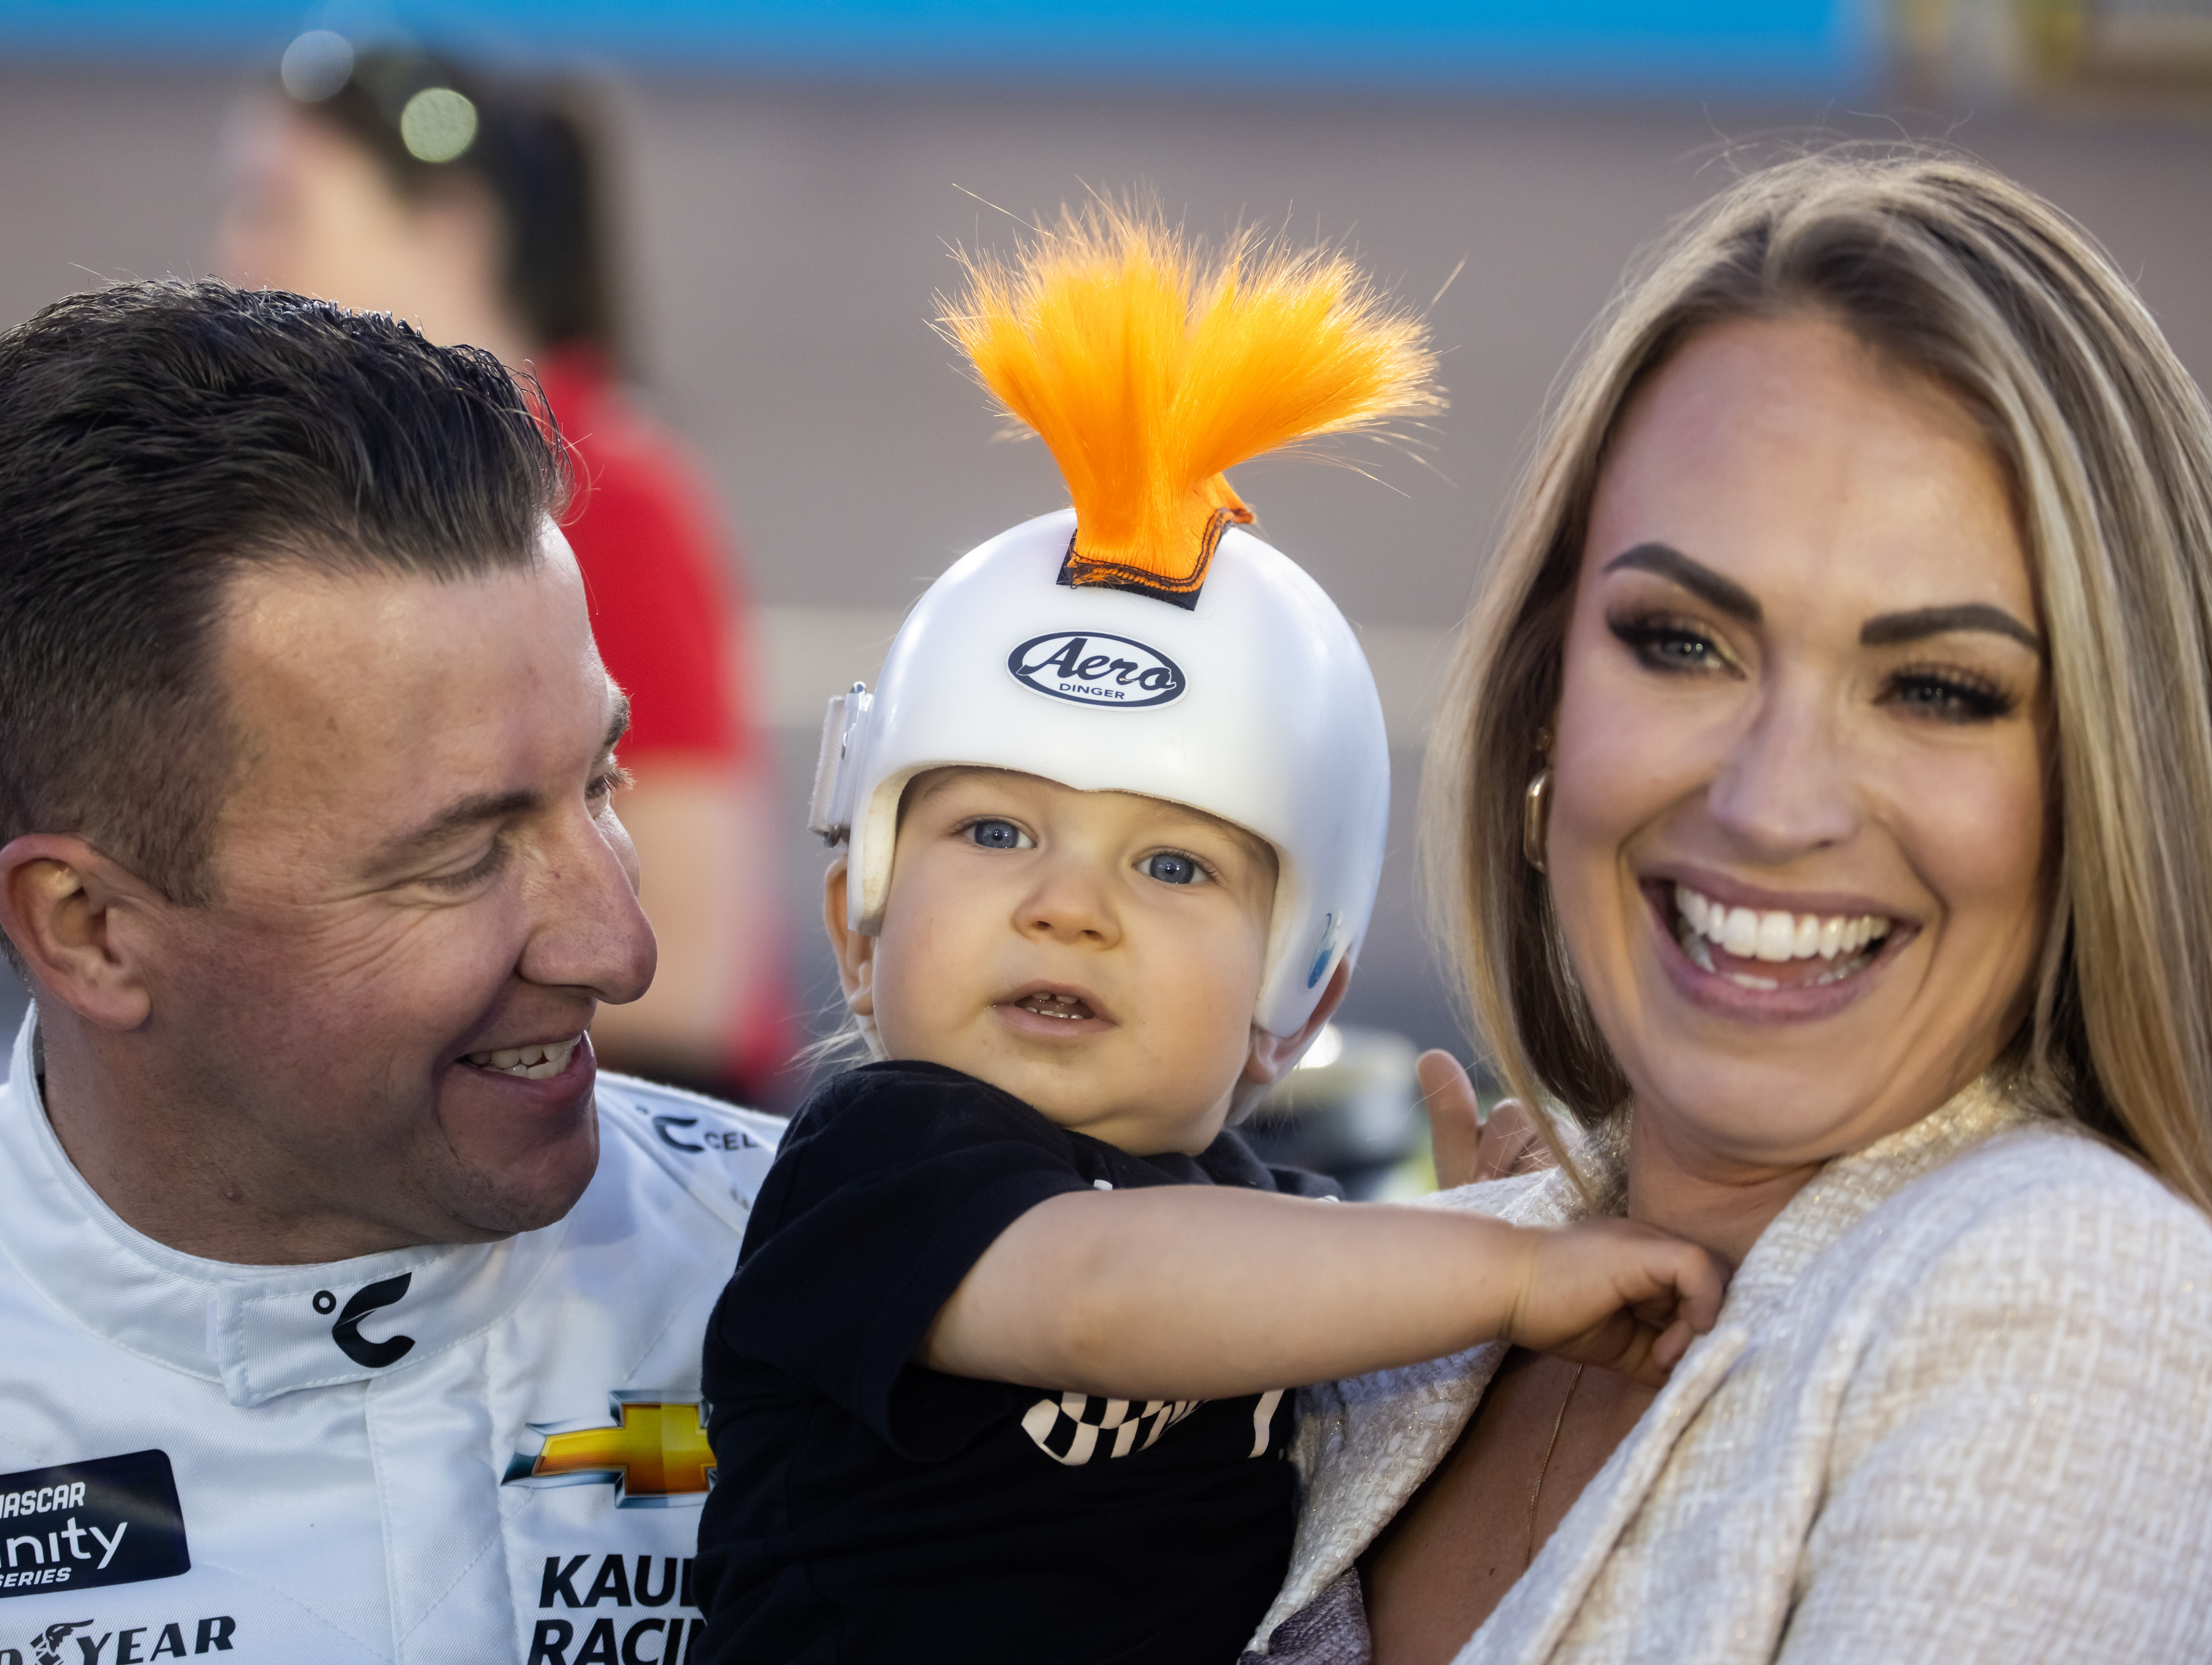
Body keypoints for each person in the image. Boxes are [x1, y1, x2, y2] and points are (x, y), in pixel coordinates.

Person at [694, 206, 1725, 1665]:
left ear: (1297, 997)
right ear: (856, 933)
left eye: (1174, 864)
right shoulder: (875, 1172)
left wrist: (1492, 1270)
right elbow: (1105, 1299)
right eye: (993, 833)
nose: (1070, 904)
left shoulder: (1273, 1223)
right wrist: (1494, 1270)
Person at [0, 281, 779, 1661]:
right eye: (458, 857)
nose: (616, 948)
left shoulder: (842, 1299)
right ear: (91, 929)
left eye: (602, 779)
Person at [1244, 151, 2212, 1664]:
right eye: (1684, 643)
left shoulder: (2069, 1292)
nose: (1772, 803)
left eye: (1937, 690)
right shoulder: (1416, 1309)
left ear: (2107, 787)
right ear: (1545, 699)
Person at [215, 43, 784, 1103]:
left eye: (279, 210)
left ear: (449, 228)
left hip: (621, 1139)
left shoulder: (607, 492)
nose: (234, 254)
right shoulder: (337, 496)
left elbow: (689, 974)